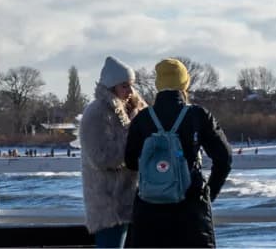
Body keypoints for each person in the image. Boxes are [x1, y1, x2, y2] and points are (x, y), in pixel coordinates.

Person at [124, 59, 233, 248]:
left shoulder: (143, 118)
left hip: (149, 211)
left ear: (158, 84)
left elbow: (131, 161)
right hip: (191, 211)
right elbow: (224, 158)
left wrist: (158, 171)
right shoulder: (198, 116)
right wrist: (208, 193)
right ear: (184, 82)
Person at [79, 56, 148, 247]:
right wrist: (134, 140)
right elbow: (101, 157)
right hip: (109, 205)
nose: (130, 91)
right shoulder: (96, 113)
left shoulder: (136, 110)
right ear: (112, 86)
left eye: (131, 85)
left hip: (134, 200)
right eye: (125, 86)